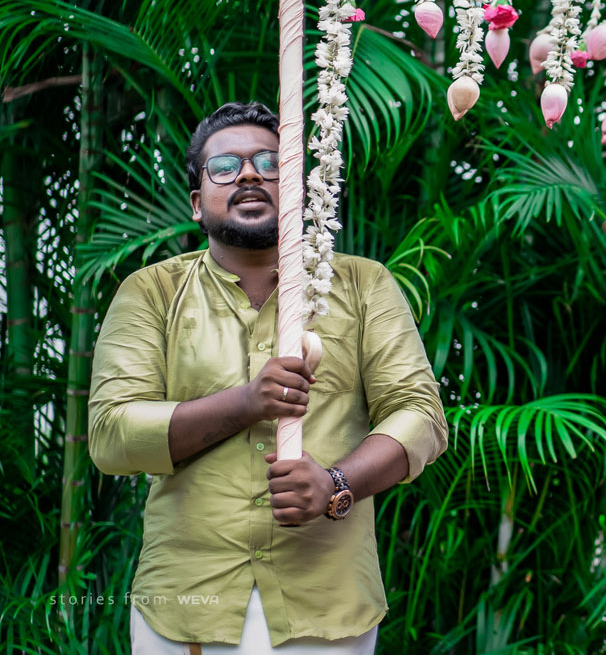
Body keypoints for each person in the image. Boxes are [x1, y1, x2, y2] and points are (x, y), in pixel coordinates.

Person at [89, 101, 449, 654]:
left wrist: (336, 485)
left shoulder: (362, 284)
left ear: (302, 190)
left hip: (326, 606)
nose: (251, 174)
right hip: (185, 607)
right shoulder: (150, 292)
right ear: (195, 203)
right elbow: (112, 435)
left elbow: (421, 414)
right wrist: (248, 402)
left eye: (269, 161)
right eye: (225, 167)